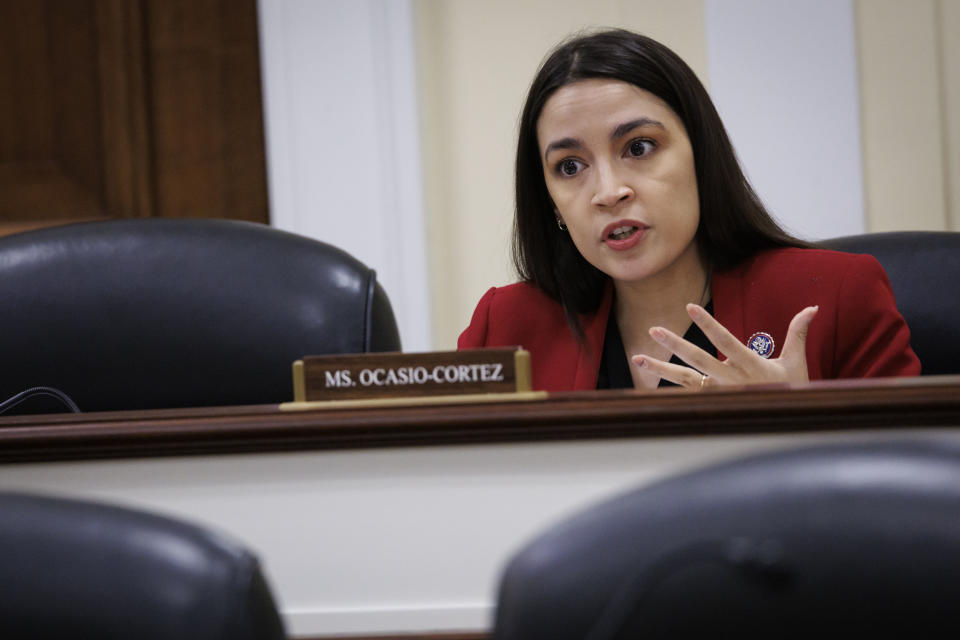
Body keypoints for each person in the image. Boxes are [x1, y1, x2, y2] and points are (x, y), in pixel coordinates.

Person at [458, 28, 920, 391]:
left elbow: (914, 495)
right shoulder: (506, 326)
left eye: (639, 147)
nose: (608, 191)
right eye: (570, 165)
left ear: (701, 153)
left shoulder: (834, 298)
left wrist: (795, 423)